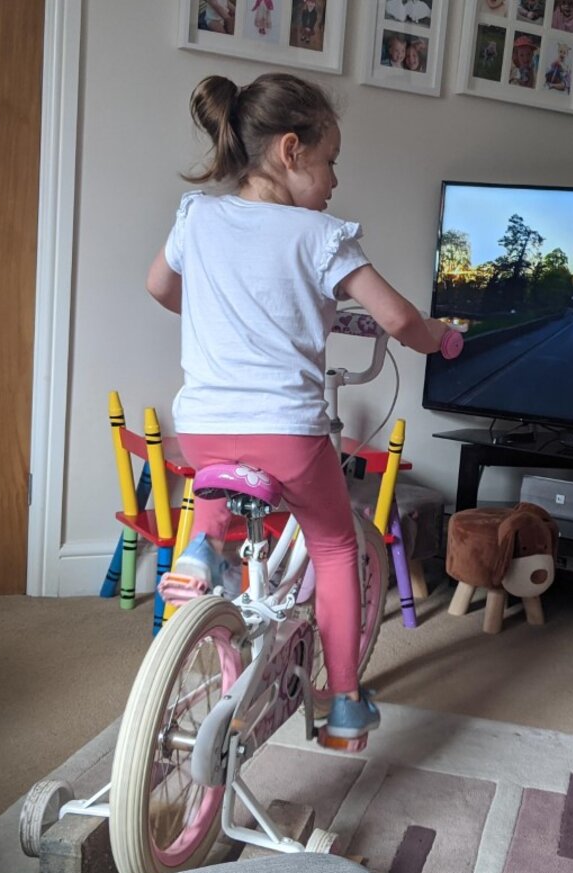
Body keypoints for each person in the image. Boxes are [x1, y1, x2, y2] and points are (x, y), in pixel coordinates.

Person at [145, 73, 451, 743]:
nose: (335, 180)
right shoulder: (319, 234)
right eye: (330, 160)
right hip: (285, 433)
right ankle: (344, 703)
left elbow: (160, 287)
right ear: (291, 150)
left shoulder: (197, 215)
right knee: (337, 545)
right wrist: (443, 339)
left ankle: (201, 553)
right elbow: (398, 318)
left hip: (201, 429)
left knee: (216, 496)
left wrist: (211, 312)